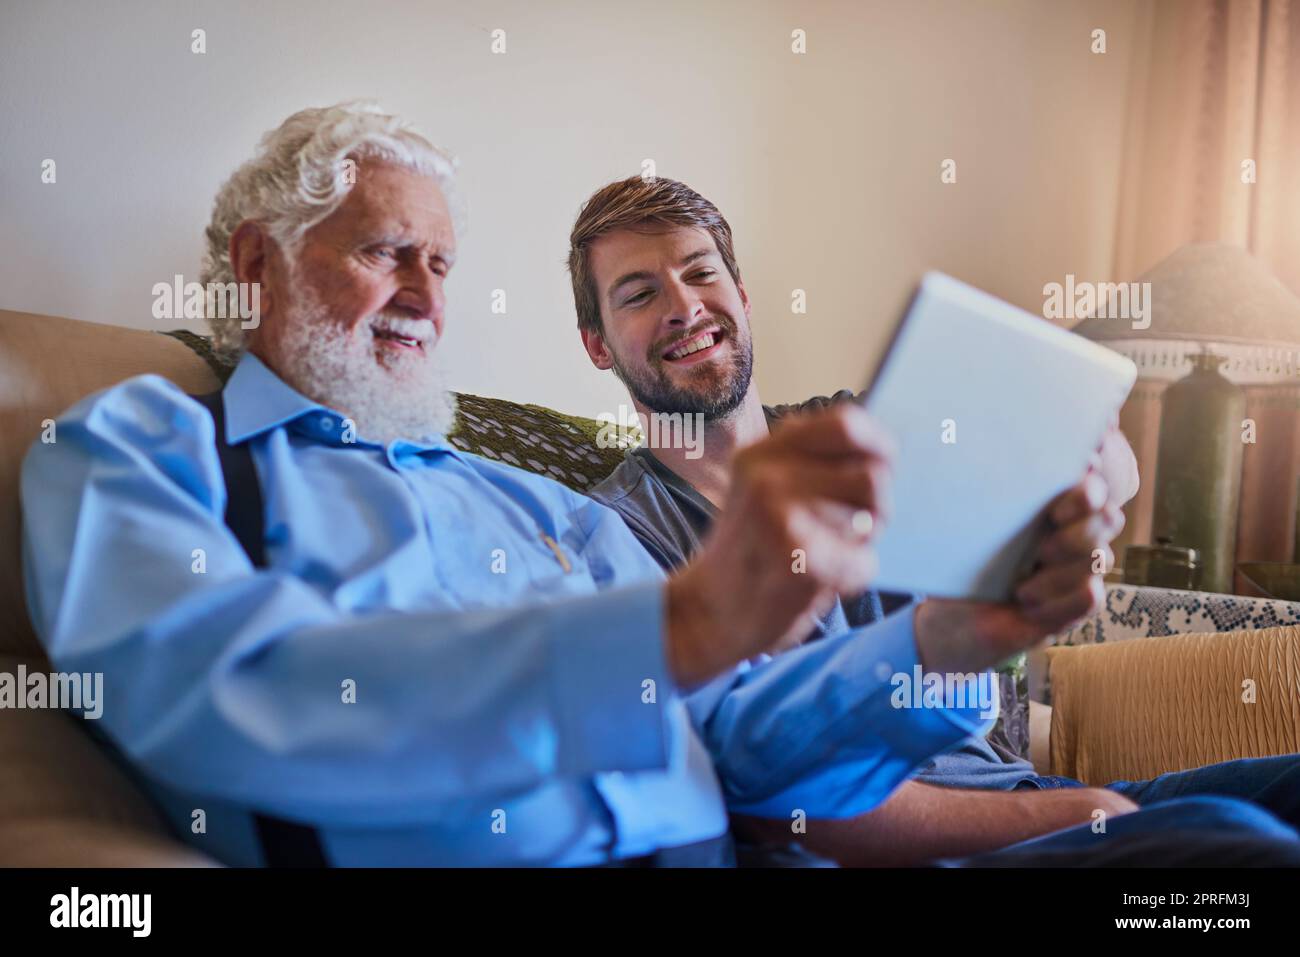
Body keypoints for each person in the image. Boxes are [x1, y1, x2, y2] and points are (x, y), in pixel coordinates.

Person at [18, 102, 1126, 868]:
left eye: (441, 265)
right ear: (257, 262)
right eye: (385, 252)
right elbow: (228, 694)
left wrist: (945, 639)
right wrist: (679, 624)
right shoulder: (150, 444)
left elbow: (735, 733)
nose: (424, 296)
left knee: (1235, 847)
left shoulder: (525, 503)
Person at [568, 173, 1300, 866]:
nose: (684, 304)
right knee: (1236, 844)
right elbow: (774, 808)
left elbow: (1118, 471)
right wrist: (1085, 813)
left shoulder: (864, 427)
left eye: (701, 272)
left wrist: (1080, 478)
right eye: (638, 293)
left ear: (743, 295)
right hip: (930, 842)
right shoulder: (617, 536)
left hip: (1028, 794)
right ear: (597, 344)